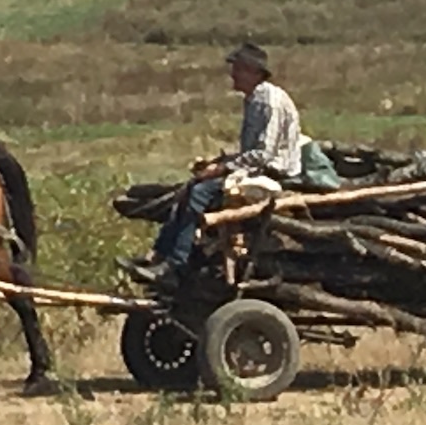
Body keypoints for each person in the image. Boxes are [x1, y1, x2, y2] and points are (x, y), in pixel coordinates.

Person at [121, 42, 316, 291]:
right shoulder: (255, 98)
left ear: (254, 72)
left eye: (238, 68)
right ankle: (157, 258)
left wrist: (223, 169)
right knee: (189, 188)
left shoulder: (268, 101)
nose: (233, 74)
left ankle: (175, 265)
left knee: (199, 193)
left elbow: (264, 154)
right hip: (258, 169)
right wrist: (221, 162)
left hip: (273, 173)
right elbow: (252, 152)